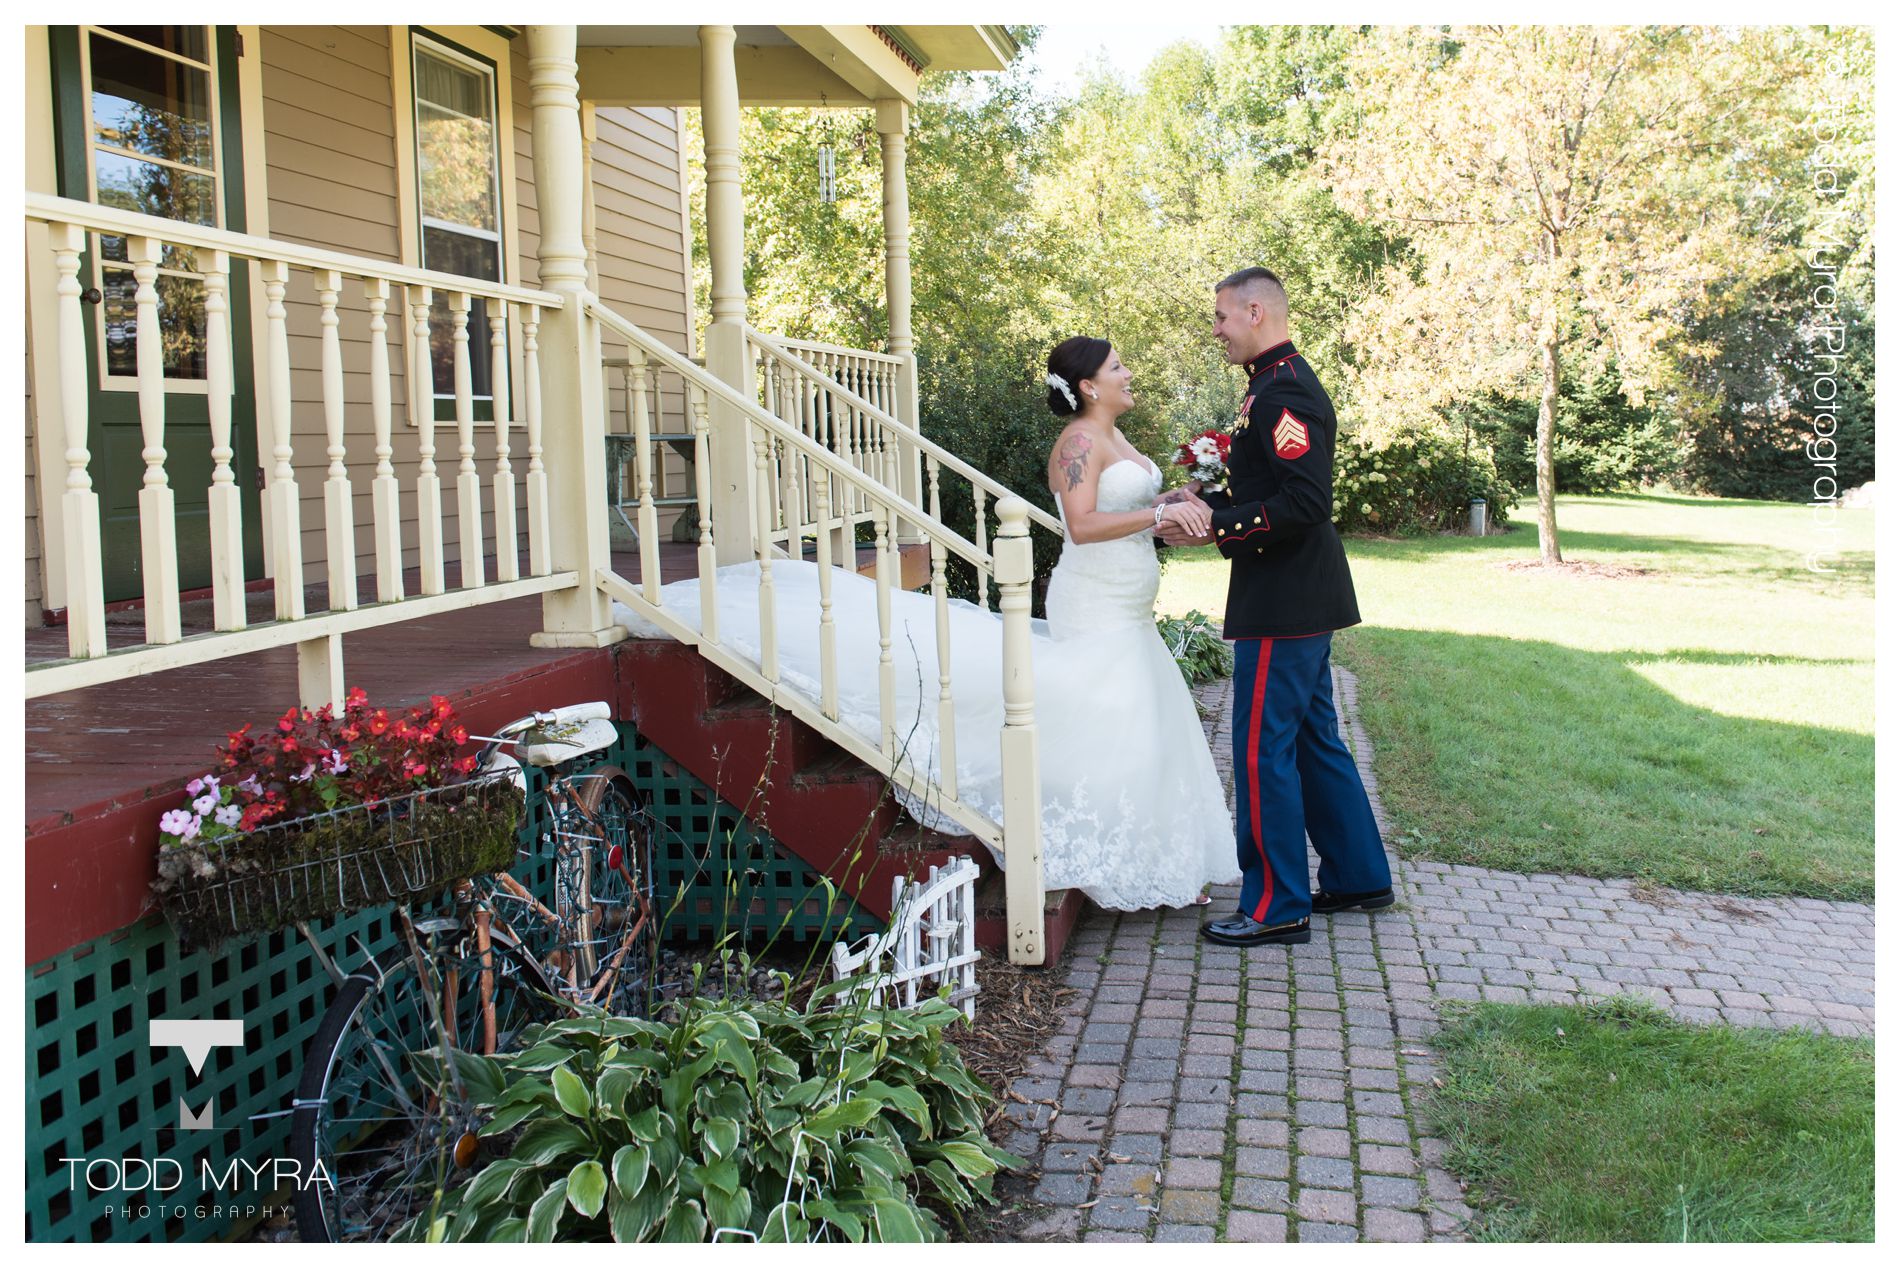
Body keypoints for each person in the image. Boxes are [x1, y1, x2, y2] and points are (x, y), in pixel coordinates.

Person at [612, 338, 1239, 913]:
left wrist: (1175, 511)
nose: (1129, 375)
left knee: (1134, 716)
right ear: (1089, 387)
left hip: (1128, 598)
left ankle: (1147, 854)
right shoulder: (1078, 443)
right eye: (1117, 368)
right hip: (1096, 598)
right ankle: (1104, 848)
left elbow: (1126, 515)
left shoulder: (1118, 439)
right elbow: (1081, 526)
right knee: (1100, 706)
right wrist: (1156, 509)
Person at [1157, 267, 1394, 947]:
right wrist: (1207, 505)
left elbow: (1307, 503)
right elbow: (1276, 490)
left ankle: (1276, 905)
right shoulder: (1269, 385)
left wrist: (1219, 526)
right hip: (1298, 592)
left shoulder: (1282, 391)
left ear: (1255, 311)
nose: (1217, 330)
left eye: (1222, 318)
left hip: (1284, 599)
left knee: (1264, 751)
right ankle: (1356, 876)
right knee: (1316, 740)